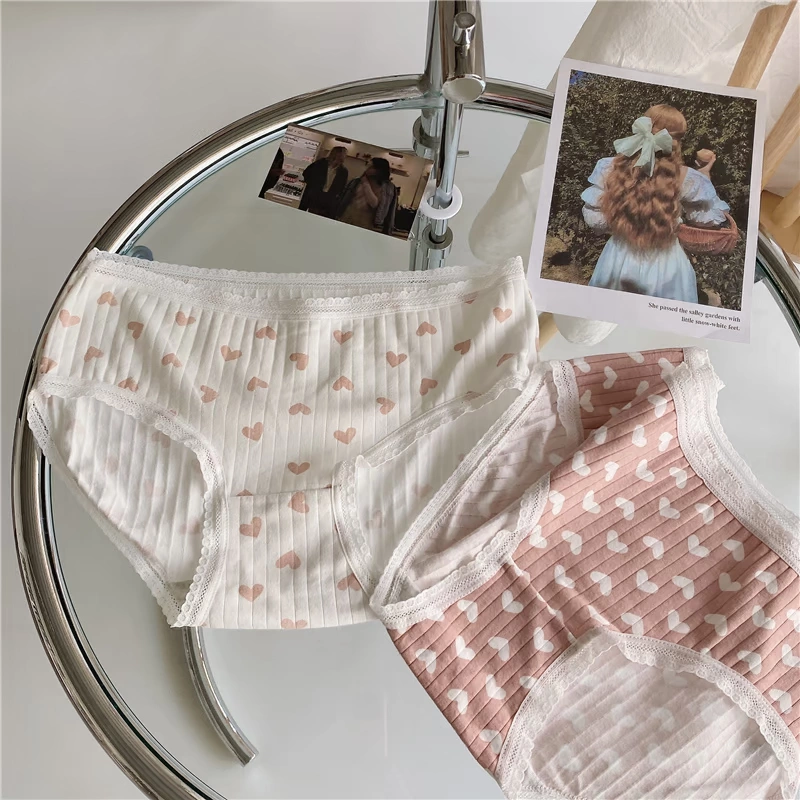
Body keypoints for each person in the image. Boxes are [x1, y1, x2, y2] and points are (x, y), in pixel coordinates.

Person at [581, 104, 730, 304]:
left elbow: (594, 219)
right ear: (677, 141)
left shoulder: (611, 167)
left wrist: (625, 221)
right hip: (668, 266)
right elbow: (709, 220)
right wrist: (704, 174)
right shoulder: (689, 178)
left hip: (618, 259)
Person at [336, 157, 396, 232]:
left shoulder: (384, 187)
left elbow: (374, 203)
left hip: (364, 222)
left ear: (378, 170)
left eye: (371, 166)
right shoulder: (357, 181)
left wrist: (366, 184)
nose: (367, 168)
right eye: (368, 165)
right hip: (347, 216)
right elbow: (347, 198)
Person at [299, 146, 349, 216]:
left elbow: (342, 187)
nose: (342, 158)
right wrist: (312, 187)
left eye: (343, 156)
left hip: (328, 201)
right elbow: (306, 174)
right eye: (341, 155)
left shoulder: (343, 171)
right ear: (334, 154)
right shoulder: (320, 164)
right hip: (315, 197)